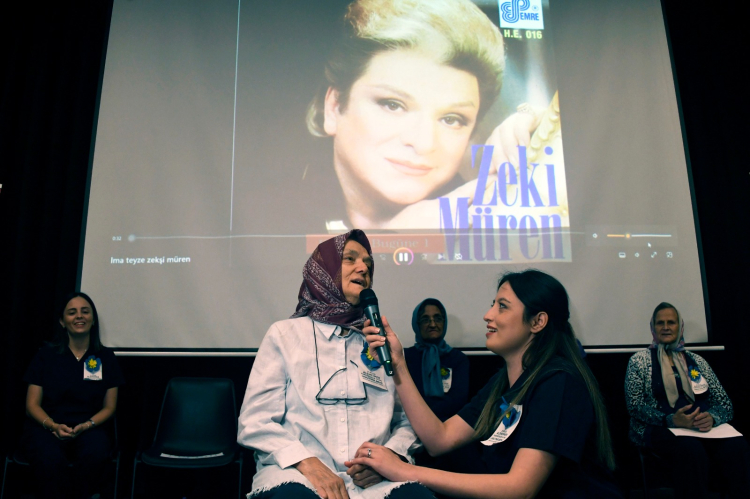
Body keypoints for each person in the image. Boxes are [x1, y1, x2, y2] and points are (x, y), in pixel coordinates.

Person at [354, 269, 622, 498]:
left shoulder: (558, 382)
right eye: (493, 304)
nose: (488, 315)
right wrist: (398, 364)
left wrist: (405, 471)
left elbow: (520, 488)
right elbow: (439, 439)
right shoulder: (504, 383)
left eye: (502, 306)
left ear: (538, 321)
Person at [306, 0, 559, 230]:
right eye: (393, 105)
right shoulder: (285, 209)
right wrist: (394, 240)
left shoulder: (486, 220)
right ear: (334, 107)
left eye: (452, 119)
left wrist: (546, 138)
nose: (424, 143)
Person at [237, 229, 435, 499]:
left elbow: (407, 422)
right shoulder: (285, 335)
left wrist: (390, 456)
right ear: (323, 271)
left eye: (368, 264)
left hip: (375, 483)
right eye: (350, 259)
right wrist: (306, 462)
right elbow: (255, 422)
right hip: (297, 475)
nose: (363, 268)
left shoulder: (380, 342)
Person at [625, 302, 750, 497]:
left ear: (680, 326)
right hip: (658, 428)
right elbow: (635, 406)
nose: (666, 327)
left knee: (737, 446)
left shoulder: (696, 361)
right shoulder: (639, 361)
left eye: (671, 322)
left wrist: (712, 417)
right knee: (690, 449)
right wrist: (670, 419)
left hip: (701, 429)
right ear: (653, 328)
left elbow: (724, 404)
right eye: (660, 323)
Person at [21, 292, 124, 499]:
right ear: (62, 321)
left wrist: (86, 426)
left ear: (93, 320)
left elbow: (110, 407)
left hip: (89, 428)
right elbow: (31, 405)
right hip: (48, 428)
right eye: (72, 312)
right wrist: (53, 426)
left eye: (85, 312)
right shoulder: (45, 355)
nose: (79, 316)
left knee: (95, 454)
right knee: (48, 459)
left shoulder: (106, 357)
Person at [404, 298, 469, 422]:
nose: (433, 324)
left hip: (449, 423)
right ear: (417, 324)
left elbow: (458, 400)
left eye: (438, 319)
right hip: (411, 422)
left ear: (444, 323)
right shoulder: (405, 358)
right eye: (425, 320)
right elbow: (404, 397)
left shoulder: (458, 359)